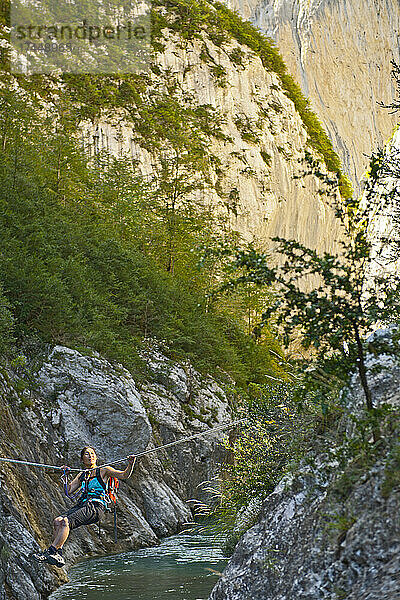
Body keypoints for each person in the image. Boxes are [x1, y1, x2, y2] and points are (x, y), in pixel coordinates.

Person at [33, 446, 136, 567]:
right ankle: (58, 553)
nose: (90, 456)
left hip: (96, 506)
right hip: (83, 505)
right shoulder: (82, 475)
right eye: (87, 454)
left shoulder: (104, 470)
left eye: (92, 453)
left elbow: (124, 475)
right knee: (57, 521)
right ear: (82, 459)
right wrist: (65, 476)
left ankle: (51, 551)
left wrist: (130, 464)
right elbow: (69, 490)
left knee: (66, 522)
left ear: (96, 457)